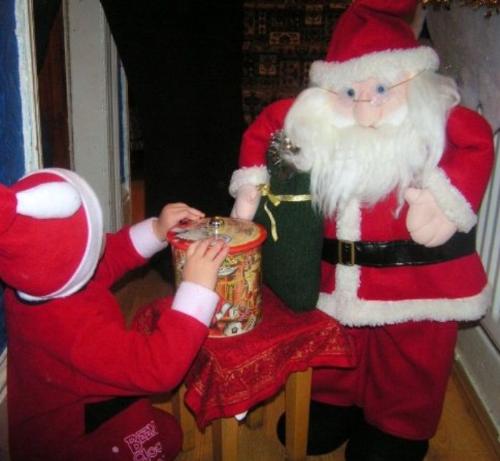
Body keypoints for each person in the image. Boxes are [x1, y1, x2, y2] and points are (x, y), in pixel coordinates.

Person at [229, 1, 494, 460]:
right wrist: (250, 188)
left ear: (413, 82)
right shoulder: (318, 124)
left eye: (382, 89)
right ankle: (333, 403)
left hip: (417, 283)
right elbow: (271, 126)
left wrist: (445, 200)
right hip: (338, 278)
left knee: (412, 358)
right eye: (350, 93)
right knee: (333, 342)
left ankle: (399, 429)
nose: (366, 108)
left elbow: (473, 140)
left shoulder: (435, 123)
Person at [0, 167, 228, 461]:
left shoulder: (42, 278)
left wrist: (158, 229)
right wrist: (195, 290)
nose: (103, 243)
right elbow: (157, 368)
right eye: (95, 239)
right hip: (69, 440)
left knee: (165, 430)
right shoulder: (73, 333)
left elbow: (107, 256)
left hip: (85, 403)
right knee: (166, 438)